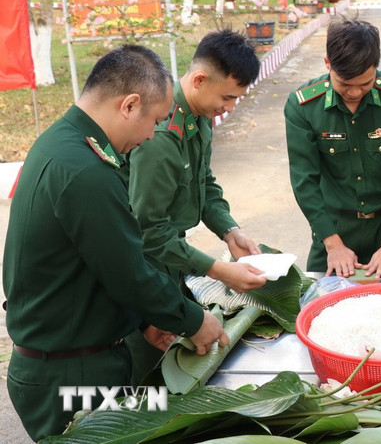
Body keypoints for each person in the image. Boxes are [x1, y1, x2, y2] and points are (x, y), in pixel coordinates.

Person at [2, 45, 228, 441]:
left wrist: (146, 320)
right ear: (129, 105)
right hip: (71, 381)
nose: (148, 136)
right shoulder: (86, 171)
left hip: (78, 360)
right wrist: (195, 320)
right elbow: (129, 273)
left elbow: (94, 260)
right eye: (154, 121)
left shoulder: (64, 143)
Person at [122, 29, 267, 385]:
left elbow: (204, 182)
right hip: (146, 266)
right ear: (200, 79)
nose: (231, 107)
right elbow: (148, 231)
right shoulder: (161, 135)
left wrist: (230, 230)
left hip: (171, 259)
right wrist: (218, 269)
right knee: (147, 372)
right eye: (228, 97)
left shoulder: (199, 114)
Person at [284, 17, 381, 278]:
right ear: (327, 64)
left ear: (376, 67)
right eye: (345, 84)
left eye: (365, 84)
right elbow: (305, 181)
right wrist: (332, 243)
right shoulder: (302, 106)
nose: (355, 93)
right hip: (333, 228)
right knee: (321, 303)